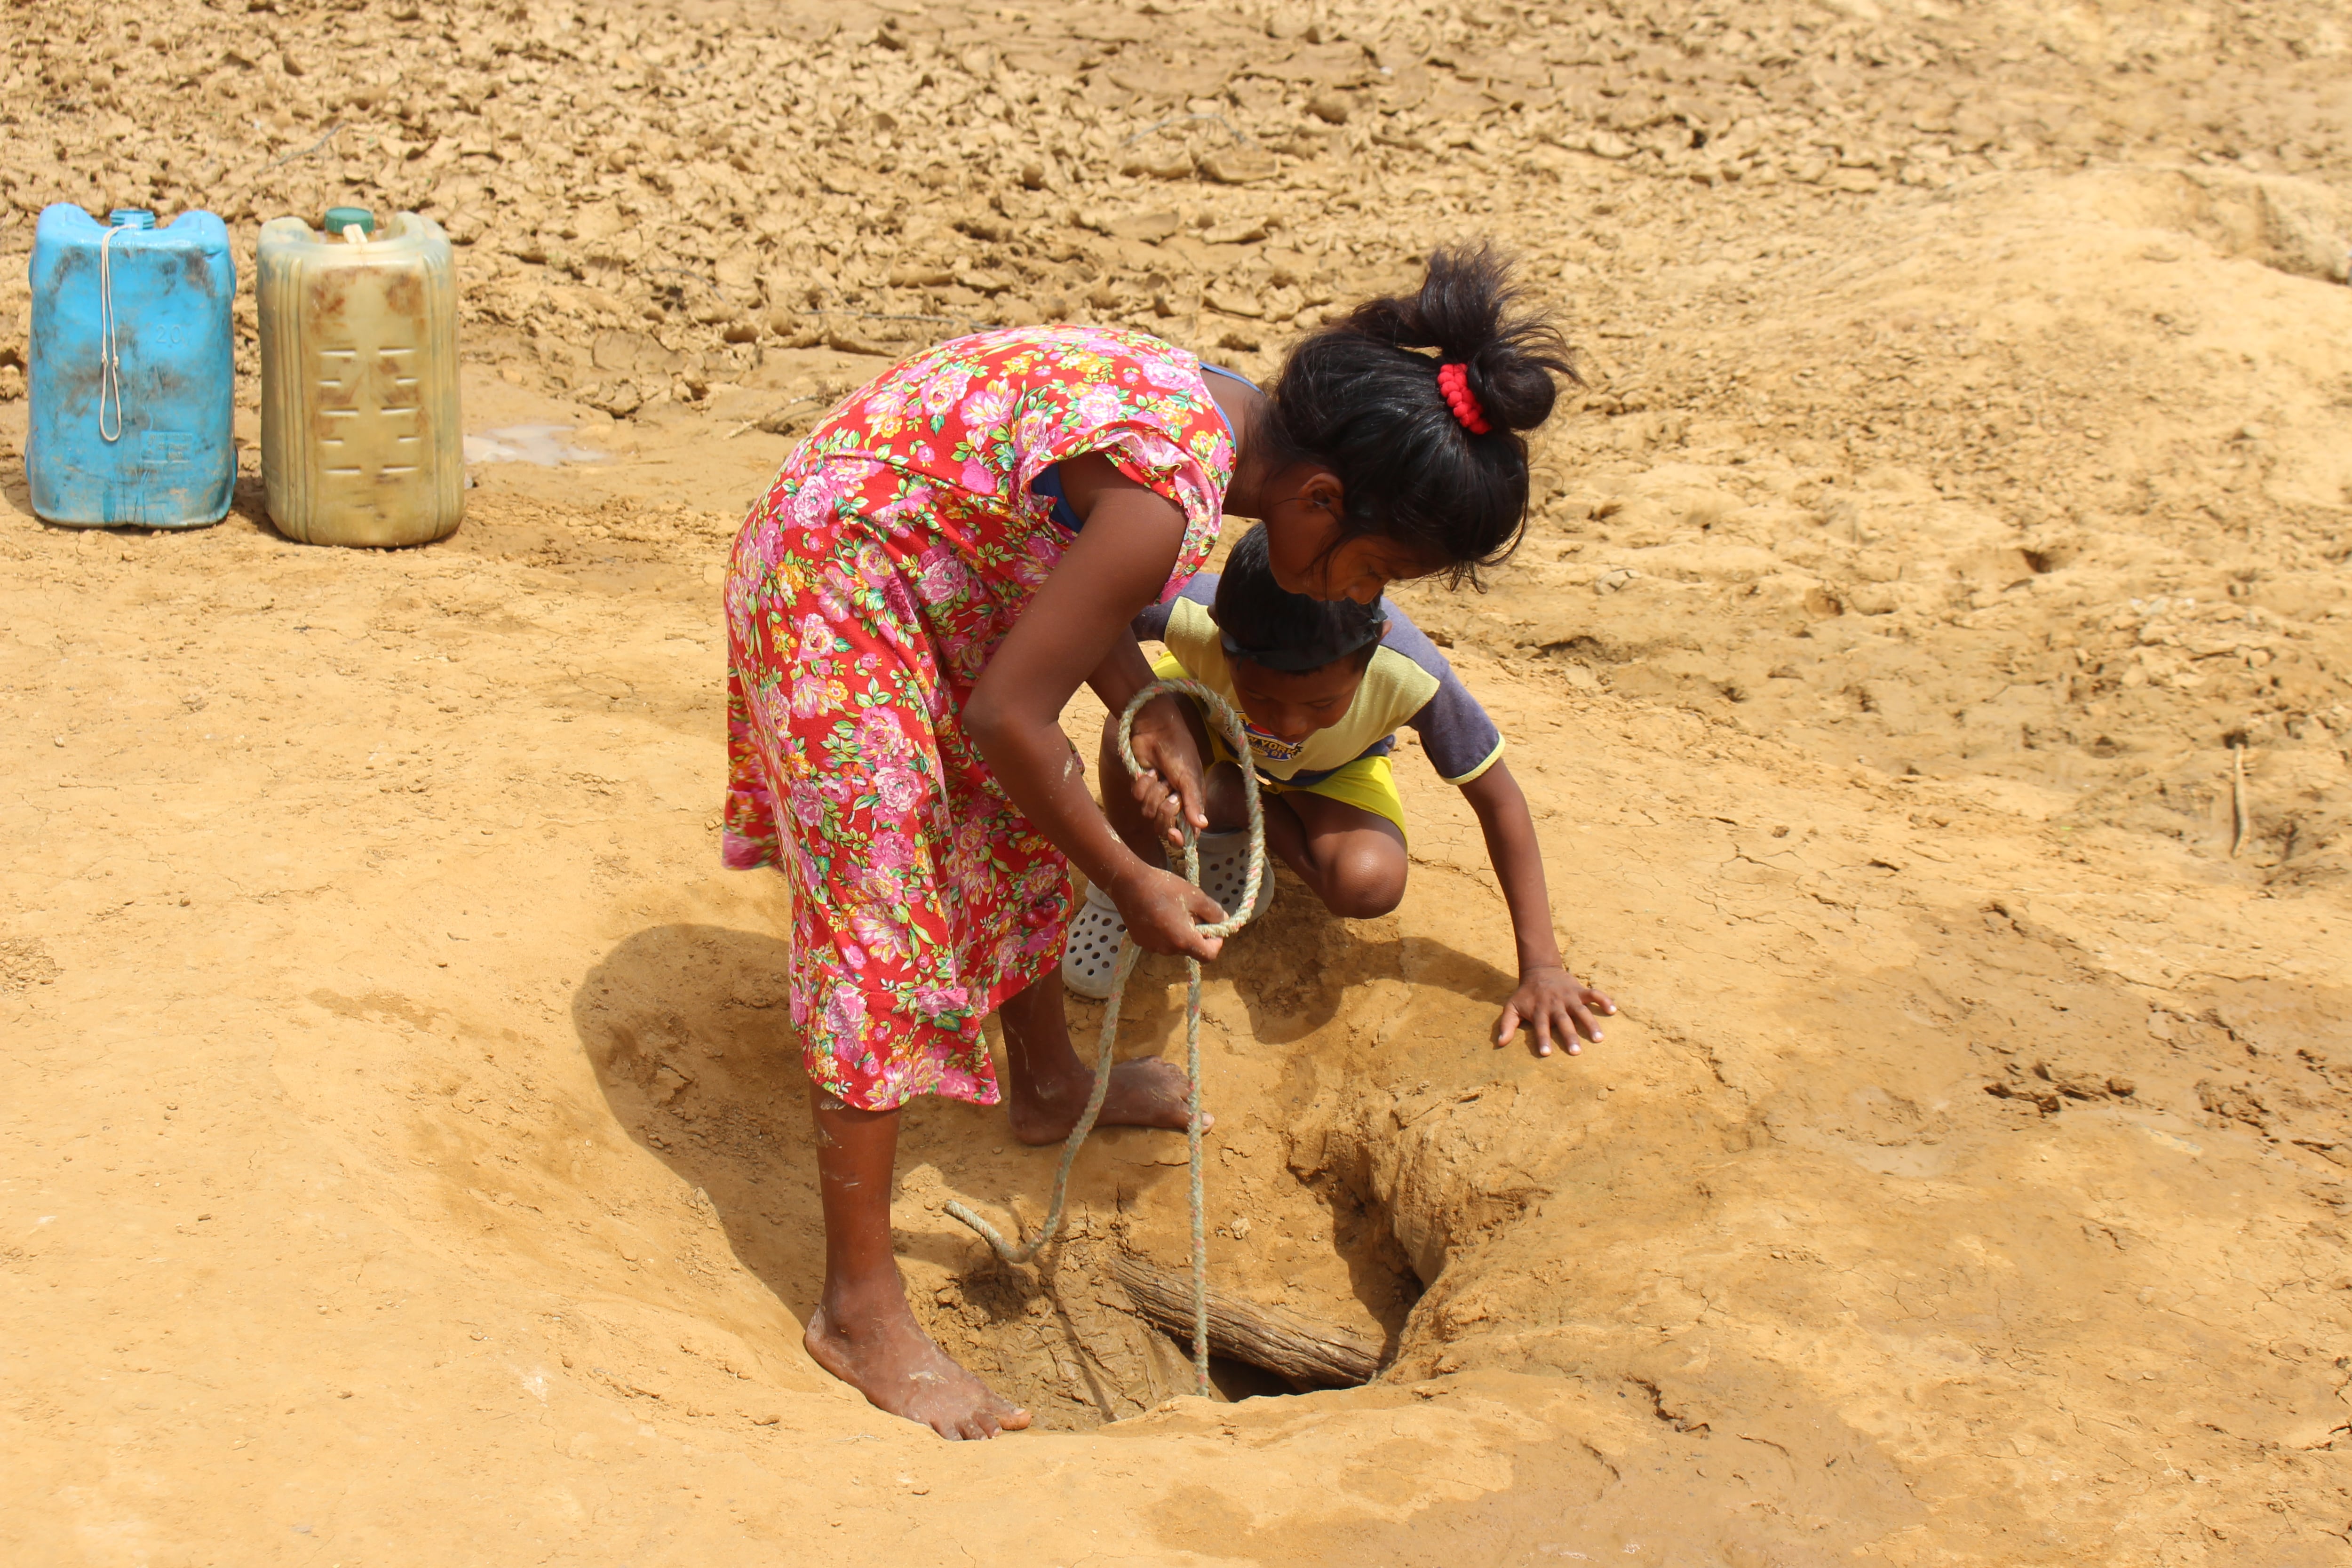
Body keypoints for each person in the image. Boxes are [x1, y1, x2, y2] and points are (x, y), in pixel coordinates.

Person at [722, 246, 1573, 1440]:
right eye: (1374, 569)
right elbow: (1010, 712)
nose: (1360, 595)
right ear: (1322, 499)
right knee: (886, 891)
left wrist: (1145, 701)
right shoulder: (1175, 488)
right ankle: (859, 1306)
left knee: (1009, 828)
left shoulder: (1230, 421)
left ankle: (1050, 1082)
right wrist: (1129, 875)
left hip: (952, 562)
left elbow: (1065, 549)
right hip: (841, 576)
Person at [1068, 523, 1618, 1056]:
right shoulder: (1196, 611)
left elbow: (1498, 800)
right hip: (1205, 729)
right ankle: (1131, 878)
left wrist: (1542, 965)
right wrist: (1153, 719)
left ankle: (1237, 803)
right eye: (1260, 696)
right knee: (1129, 722)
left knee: (1366, 884)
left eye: (1320, 705)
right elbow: (1086, 606)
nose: (1286, 725)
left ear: (1373, 650)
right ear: (1219, 632)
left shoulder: (1412, 675)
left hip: (1331, 769)